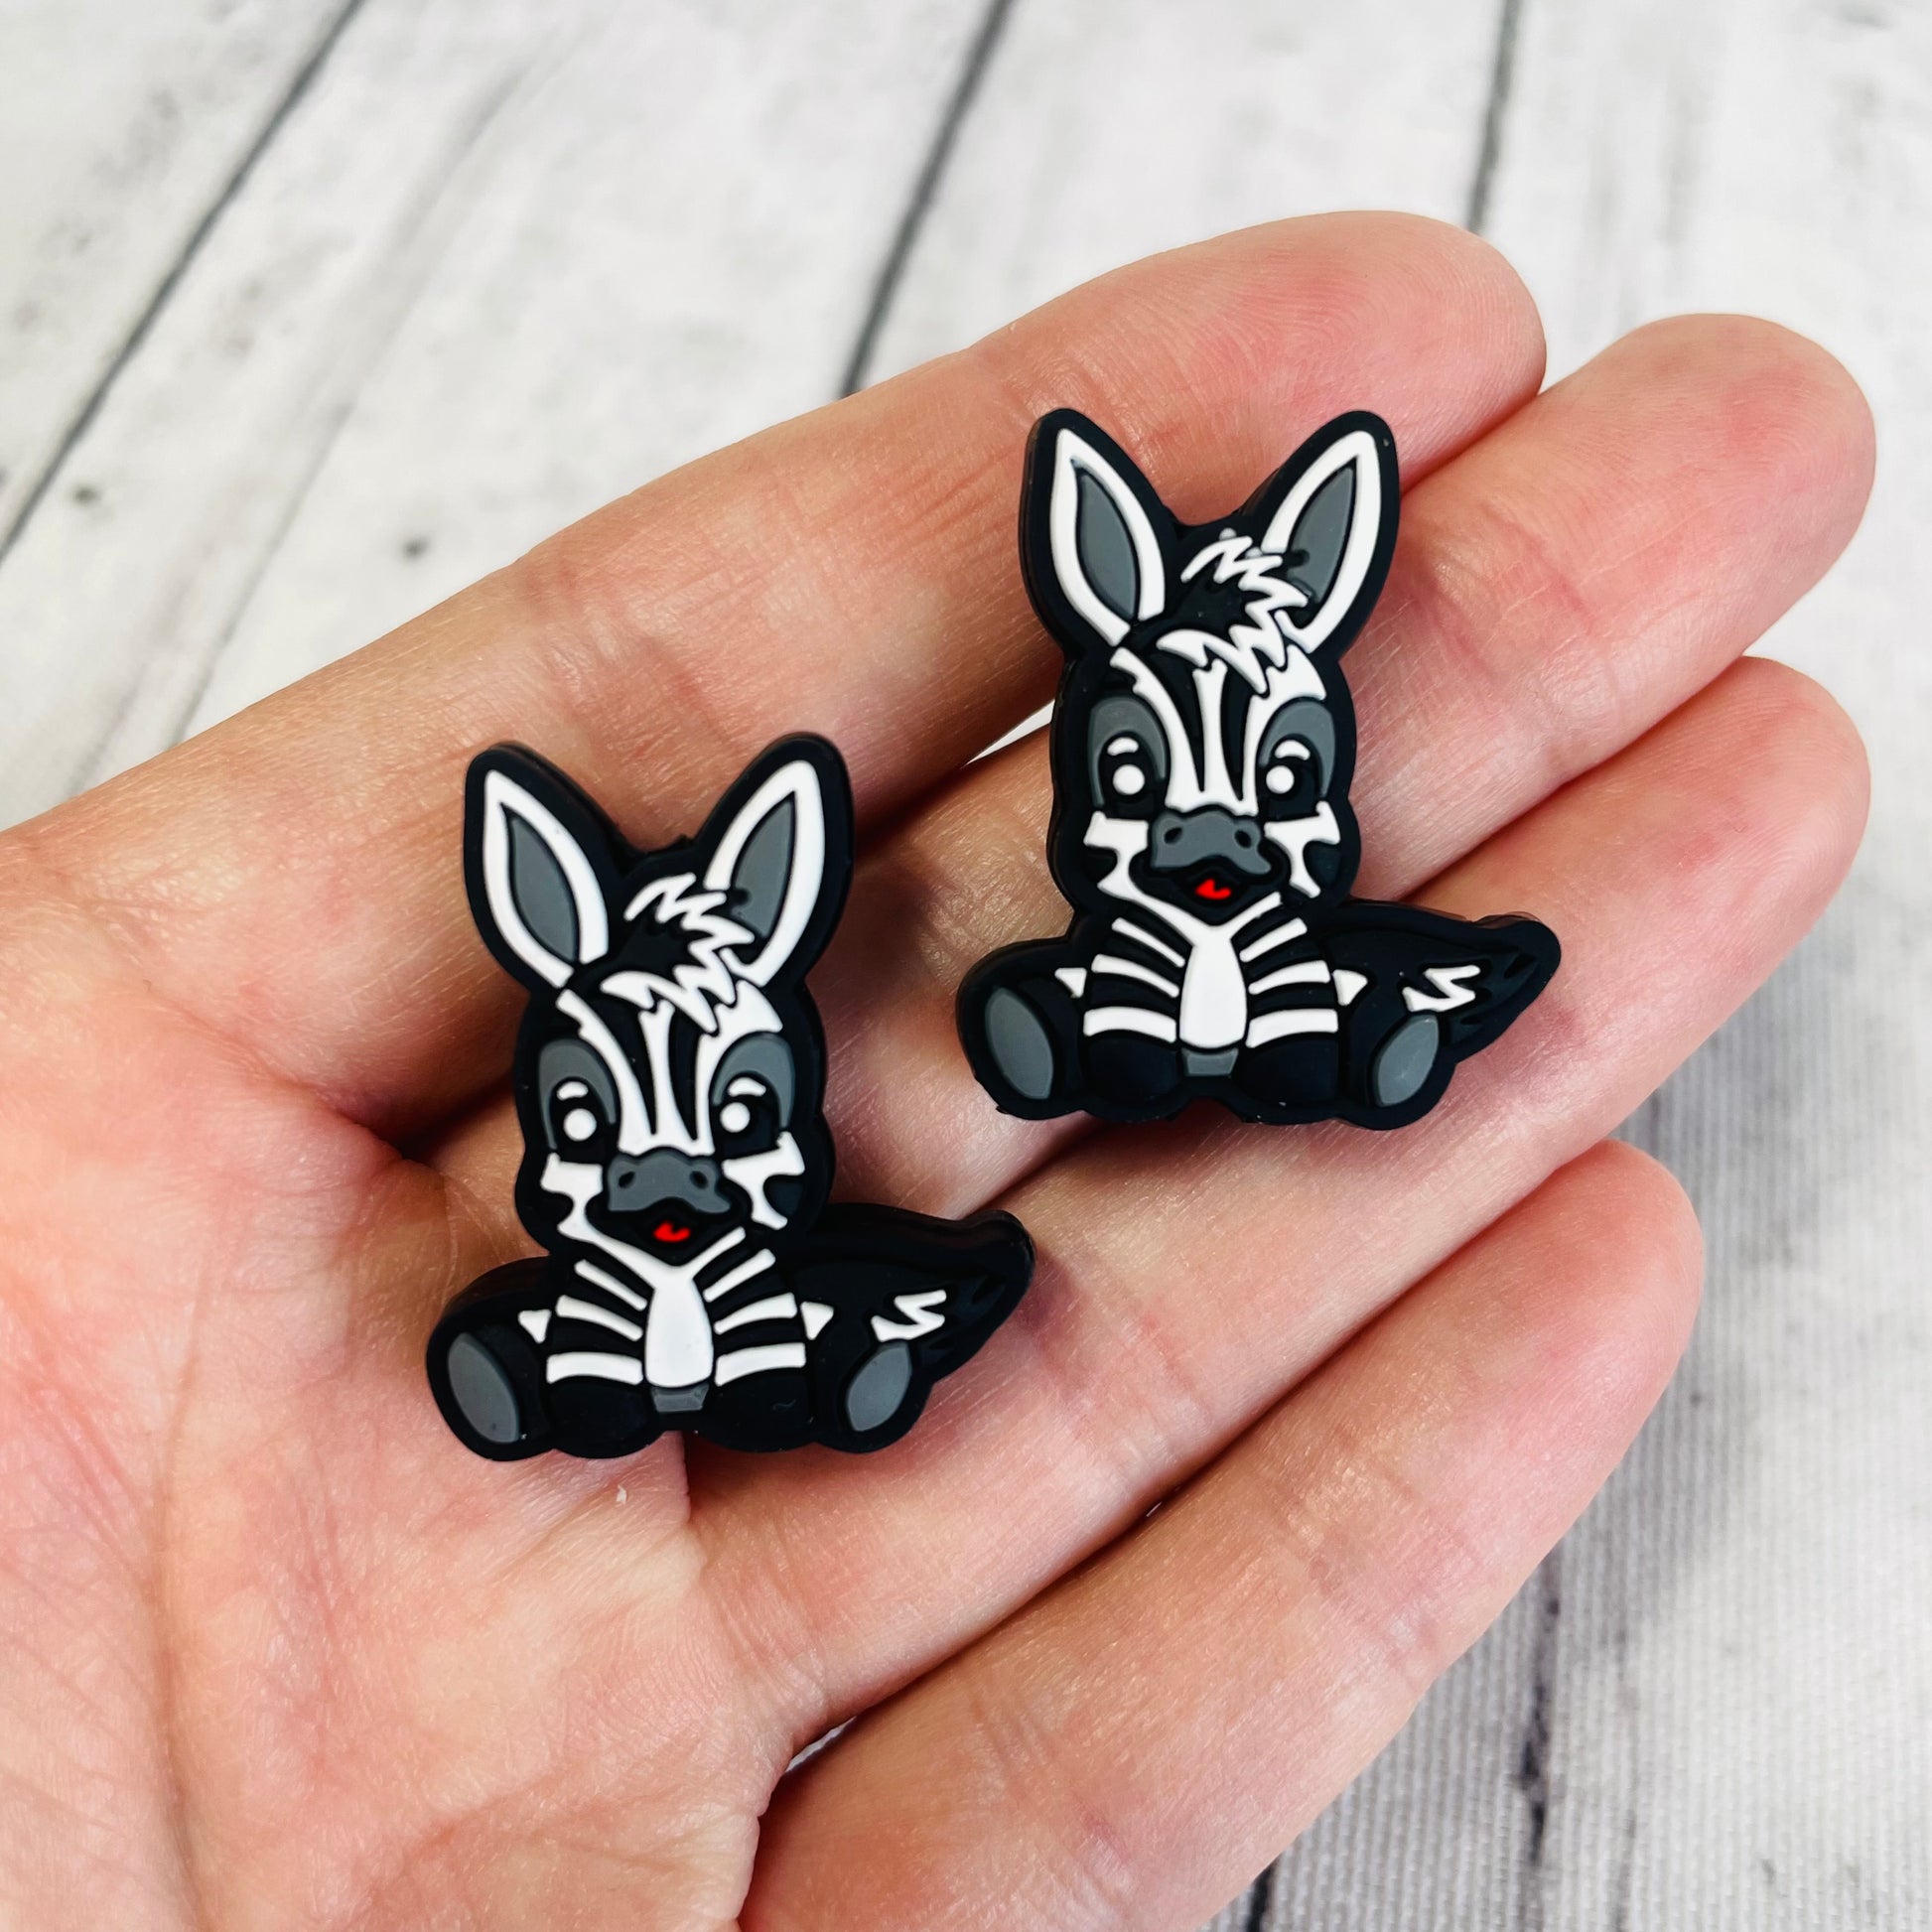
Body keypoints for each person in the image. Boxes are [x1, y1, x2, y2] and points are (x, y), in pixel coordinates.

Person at [0, 213, 1872, 1930]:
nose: (667, 1172)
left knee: (1252, 1030)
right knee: (900, 1168)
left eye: (1261, 780)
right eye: (1141, 777)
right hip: (702, 1277)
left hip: (1238, 1007)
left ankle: (1322, 1034)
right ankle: (902, 1262)